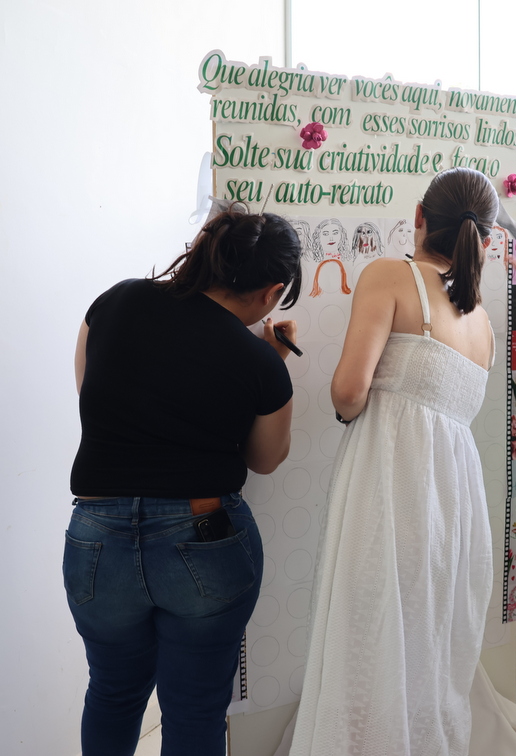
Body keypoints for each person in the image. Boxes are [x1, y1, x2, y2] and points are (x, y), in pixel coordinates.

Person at [65, 206, 303, 756]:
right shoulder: (259, 361)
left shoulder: (115, 301)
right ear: (272, 292)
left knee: (112, 693)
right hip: (203, 534)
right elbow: (266, 459)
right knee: (194, 710)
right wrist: (270, 360)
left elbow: (91, 396)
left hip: (96, 533)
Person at [288, 167, 498, 756]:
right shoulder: (481, 320)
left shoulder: (390, 275)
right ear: (484, 240)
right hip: (455, 498)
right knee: (429, 634)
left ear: (419, 217)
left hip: (391, 478)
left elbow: (348, 392)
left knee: (370, 625)